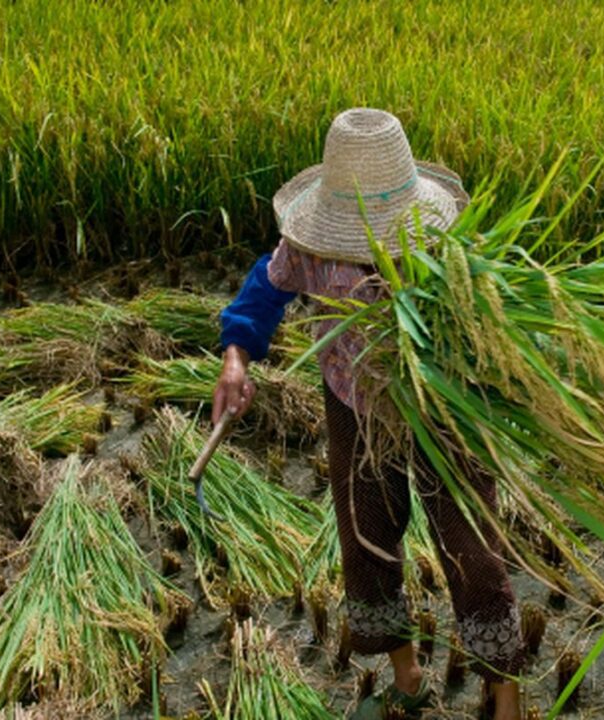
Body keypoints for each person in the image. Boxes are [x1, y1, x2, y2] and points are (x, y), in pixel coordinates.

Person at [212, 107, 526, 720]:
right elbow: (264, 291)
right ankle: (406, 675)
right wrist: (235, 358)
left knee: (471, 548)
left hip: (441, 406)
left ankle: (505, 693)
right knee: (367, 538)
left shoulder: (446, 246)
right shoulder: (309, 247)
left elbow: (495, 320)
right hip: (353, 404)